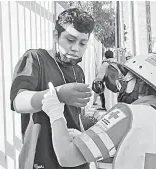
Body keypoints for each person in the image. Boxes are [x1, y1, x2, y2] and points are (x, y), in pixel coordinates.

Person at [42, 53, 156, 169]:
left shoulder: (128, 114)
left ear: (143, 84)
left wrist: (55, 111)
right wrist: (86, 139)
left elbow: (67, 156)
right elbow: (130, 152)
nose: (123, 81)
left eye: (129, 77)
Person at [10, 8, 95, 169]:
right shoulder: (36, 59)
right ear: (56, 35)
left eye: (82, 43)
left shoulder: (78, 71)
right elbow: (18, 102)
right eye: (70, 40)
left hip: (74, 157)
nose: (76, 48)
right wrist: (57, 94)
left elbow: (75, 116)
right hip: (42, 157)